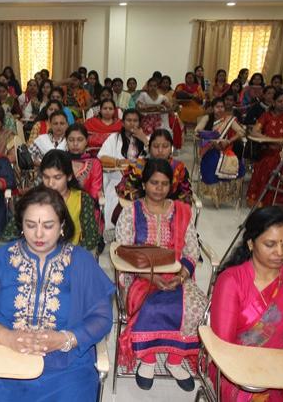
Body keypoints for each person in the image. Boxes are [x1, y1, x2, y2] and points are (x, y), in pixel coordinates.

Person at [0, 185, 115, 401]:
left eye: (48, 225)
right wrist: (7, 337)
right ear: (21, 226)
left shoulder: (81, 261)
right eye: (31, 225)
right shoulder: (2, 258)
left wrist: (65, 339)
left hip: (67, 362)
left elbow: (101, 318)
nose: (39, 234)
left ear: (62, 225)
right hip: (7, 357)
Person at [115, 159, 206, 392]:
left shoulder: (183, 212)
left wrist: (183, 275)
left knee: (198, 306)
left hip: (177, 277)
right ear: (144, 184)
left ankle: (175, 359)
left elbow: (192, 249)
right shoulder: (131, 212)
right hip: (139, 277)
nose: (159, 188)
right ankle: (148, 359)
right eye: (154, 182)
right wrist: (150, 277)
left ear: (171, 186)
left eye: (164, 184)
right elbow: (124, 250)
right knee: (153, 305)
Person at [210, 206, 283, 401]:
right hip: (236, 373)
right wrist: (261, 372)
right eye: (270, 244)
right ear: (251, 243)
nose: (280, 252)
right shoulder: (232, 281)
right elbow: (223, 347)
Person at [97, 109, 148, 229]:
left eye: (135, 121)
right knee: (115, 199)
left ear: (140, 123)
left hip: (140, 183)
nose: (132, 124)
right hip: (117, 180)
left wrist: (144, 140)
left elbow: (154, 158)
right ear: (123, 123)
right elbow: (101, 157)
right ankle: (114, 231)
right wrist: (118, 162)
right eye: (129, 120)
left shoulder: (146, 139)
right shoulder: (114, 138)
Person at [117, 128, 192, 207]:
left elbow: (186, 196)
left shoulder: (179, 168)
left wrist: (168, 207)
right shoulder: (138, 165)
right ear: (149, 148)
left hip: (170, 212)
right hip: (142, 208)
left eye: (165, 146)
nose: (160, 150)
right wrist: (146, 199)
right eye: (156, 146)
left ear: (171, 149)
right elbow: (123, 189)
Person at [246, 92, 283, 207]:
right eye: (280, 101)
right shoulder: (266, 116)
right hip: (268, 151)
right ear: (273, 102)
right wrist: (269, 139)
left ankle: (282, 202)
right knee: (268, 164)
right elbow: (254, 131)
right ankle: (262, 201)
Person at [195, 97, 246, 208]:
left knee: (238, 165)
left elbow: (242, 132)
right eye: (217, 107)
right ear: (212, 108)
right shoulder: (207, 118)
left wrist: (229, 141)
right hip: (208, 149)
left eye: (222, 106)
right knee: (213, 162)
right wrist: (211, 138)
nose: (220, 109)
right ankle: (214, 195)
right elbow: (197, 131)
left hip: (225, 149)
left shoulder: (229, 120)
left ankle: (225, 194)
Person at [66, 123, 103, 201]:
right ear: (66, 141)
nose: (75, 144)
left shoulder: (94, 162)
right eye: (71, 140)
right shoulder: (61, 159)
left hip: (87, 207)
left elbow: (95, 191)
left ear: (86, 141)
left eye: (80, 140)